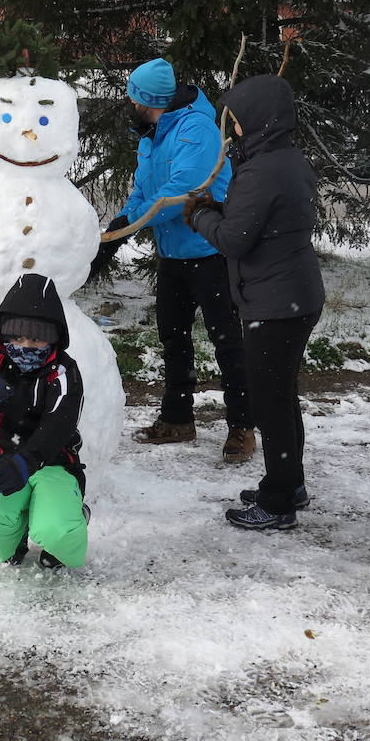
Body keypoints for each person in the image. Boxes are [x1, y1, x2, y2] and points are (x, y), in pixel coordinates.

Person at [185, 75, 326, 531]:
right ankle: (290, 483)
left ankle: (279, 500)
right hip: (293, 293)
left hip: (274, 300)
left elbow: (235, 239)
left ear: (260, 120)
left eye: (240, 119)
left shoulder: (263, 169)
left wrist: (201, 215)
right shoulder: (285, 159)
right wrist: (221, 209)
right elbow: (263, 221)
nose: (235, 128)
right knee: (282, 396)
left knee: (271, 402)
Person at [97, 57, 252, 462]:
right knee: (173, 337)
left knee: (228, 342)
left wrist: (132, 222)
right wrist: (118, 225)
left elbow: (183, 190)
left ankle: (242, 427)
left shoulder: (195, 129)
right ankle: (178, 418)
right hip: (173, 255)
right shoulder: (152, 133)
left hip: (210, 251)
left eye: (132, 97)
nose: (128, 103)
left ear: (146, 99)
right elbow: (143, 188)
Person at [0, 274, 88, 569]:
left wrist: (28, 460)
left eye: (36, 339)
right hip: (5, 462)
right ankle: (14, 538)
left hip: (54, 464)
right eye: (17, 337)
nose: (25, 346)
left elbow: (60, 423)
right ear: (3, 336)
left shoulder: (63, 370)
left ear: (54, 339)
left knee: (56, 530)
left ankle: (68, 528)